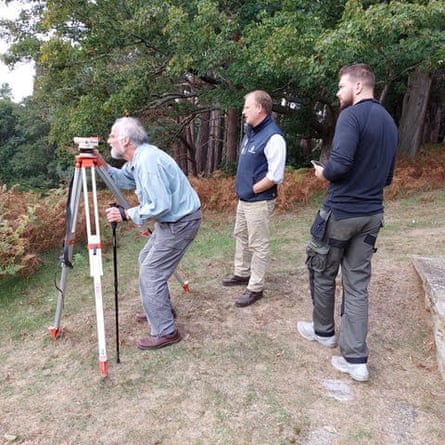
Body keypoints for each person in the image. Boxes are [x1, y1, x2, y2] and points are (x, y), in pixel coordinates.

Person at [297, 64, 398, 382]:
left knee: (321, 269)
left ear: (357, 87)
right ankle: (356, 361)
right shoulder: (389, 121)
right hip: (372, 215)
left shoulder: (351, 116)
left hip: (340, 213)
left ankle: (324, 331)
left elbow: (338, 166)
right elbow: (388, 177)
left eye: (341, 87)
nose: (338, 93)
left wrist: (322, 172)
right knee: (357, 284)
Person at [103, 117, 201, 350]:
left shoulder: (148, 162)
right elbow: (125, 179)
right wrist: (102, 166)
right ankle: (161, 310)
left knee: (151, 272)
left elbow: (160, 205)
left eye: (113, 136)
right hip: (173, 221)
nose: (109, 140)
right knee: (146, 261)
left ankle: (166, 331)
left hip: (180, 222)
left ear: (125, 140)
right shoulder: (139, 159)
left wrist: (126, 215)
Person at [222, 90, 286, 307]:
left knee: (258, 244)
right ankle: (241, 273)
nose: (243, 112)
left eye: (247, 107)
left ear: (260, 108)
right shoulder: (251, 132)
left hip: (258, 201)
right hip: (245, 200)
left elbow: (275, 176)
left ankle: (255, 287)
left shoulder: (273, 137)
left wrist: (252, 189)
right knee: (240, 234)